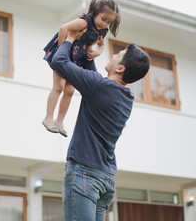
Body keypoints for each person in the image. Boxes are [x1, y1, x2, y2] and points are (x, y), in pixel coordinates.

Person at [50, 31, 150, 220]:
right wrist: (89, 55)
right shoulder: (125, 97)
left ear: (120, 68)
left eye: (117, 54)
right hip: (105, 179)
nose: (112, 55)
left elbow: (59, 62)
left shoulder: (99, 87)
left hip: (84, 174)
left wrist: (70, 38)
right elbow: (93, 82)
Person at [42, 0, 120, 137]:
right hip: (66, 51)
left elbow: (101, 45)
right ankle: (48, 118)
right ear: (96, 12)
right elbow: (63, 28)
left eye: (108, 22)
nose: (104, 24)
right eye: (103, 19)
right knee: (59, 87)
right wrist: (62, 50)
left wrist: (97, 53)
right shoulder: (84, 23)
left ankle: (59, 121)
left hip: (78, 58)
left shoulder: (102, 31)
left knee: (70, 90)